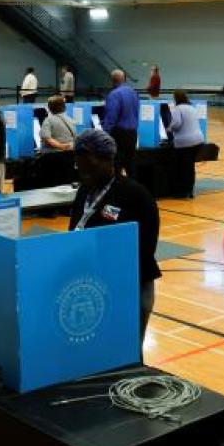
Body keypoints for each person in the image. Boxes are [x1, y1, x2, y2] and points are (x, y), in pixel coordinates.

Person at [68, 129, 161, 353]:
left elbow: (146, 248)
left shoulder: (136, 195)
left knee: (127, 351)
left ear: (108, 160)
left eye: (90, 167)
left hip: (130, 286)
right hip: (92, 285)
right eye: (79, 167)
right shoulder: (84, 190)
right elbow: (74, 228)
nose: (84, 173)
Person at [103, 69, 140, 177]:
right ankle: (132, 186)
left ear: (112, 80)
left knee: (116, 166)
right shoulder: (134, 93)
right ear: (124, 79)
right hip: (132, 133)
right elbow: (137, 112)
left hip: (119, 134)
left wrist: (105, 134)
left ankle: (118, 187)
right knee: (130, 165)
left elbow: (111, 117)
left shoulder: (114, 94)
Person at [168, 90, 204, 199]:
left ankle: (182, 192)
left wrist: (169, 128)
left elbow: (177, 123)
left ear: (176, 98)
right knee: (189, 167)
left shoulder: (177, 109)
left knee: (181, 168)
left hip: (185, 142)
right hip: (198, 141)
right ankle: (190, 190)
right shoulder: (191, 107)